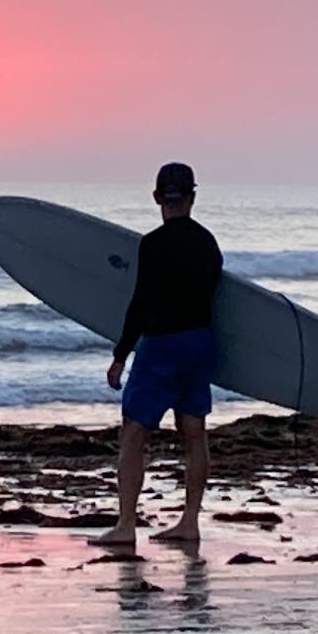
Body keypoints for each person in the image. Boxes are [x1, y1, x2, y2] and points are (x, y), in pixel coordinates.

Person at [92, 162, 223, 547]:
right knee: (194, 433)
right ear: (192, 197)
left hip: (162, 345)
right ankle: (189, 523)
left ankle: (126, 525)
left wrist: (120, 354)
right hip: (200, 343)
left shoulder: (153, 244)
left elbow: (141, 303)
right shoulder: (208, 243)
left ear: (156, 198)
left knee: (134, 433)